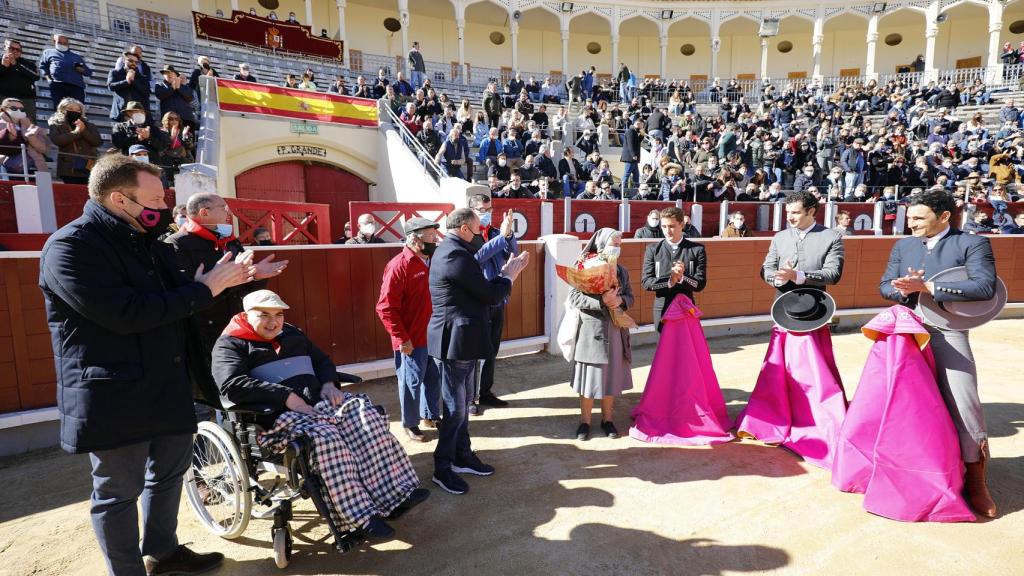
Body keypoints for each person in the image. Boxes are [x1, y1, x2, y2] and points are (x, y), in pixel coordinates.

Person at [39, 154, 255, 575]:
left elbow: (184, 296)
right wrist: (204, 290)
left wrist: (226, 280)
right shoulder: (70, 247)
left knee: (170, 474)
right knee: (117, 493)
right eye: (155, 199)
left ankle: (163, 549)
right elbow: (126, 313)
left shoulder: (149, 244)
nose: (163, 206)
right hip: (112, 393)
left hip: (166, 383)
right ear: (120, 199)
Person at [212, 290, 429, 541]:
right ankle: (360, 518)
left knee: (365, 418)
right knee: (326, 438)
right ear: (247, 315)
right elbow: (232, 385)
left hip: (319, 403)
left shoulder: (292, 333)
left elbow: (322, 360)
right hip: (277, 416)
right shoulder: (231, 343)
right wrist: (284, 396)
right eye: (264, 315)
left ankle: (396, 496)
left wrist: (328, 382)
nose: (273, 322)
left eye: (278, 315)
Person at [879, 190, 999, 518]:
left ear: (944, 216)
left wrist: (929, 288)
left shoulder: (971, 244)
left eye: (919, 218)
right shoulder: (903, 245)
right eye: (910, 217)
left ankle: (975, 478)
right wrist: (901, 287)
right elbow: (884, 285)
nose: (911, 223)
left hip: (948, 330)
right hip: (907, 328)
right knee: (900, 401)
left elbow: (985, 286)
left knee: (964, 400)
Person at [735, 190, 847, 470]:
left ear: (812, 212)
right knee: (778, 368)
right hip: (783, 310)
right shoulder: (780, 237)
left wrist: (798, 276)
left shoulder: (830, 237)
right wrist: (775, 276)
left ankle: (814, 418)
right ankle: (775, 416)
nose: (790, 217)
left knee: (812, 369)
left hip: (814, 312)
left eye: (796, 212)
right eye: (788, 213)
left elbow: (833, 274)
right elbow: (766, 268)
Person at [427, 208, 530, 495]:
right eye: (476, 231)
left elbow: (481, 289)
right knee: (455, 409)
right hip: (455, 341)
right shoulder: (453, 254)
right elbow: (487, 294)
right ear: (463, 229)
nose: (479, 236)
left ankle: (461, 455)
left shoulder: (454, 250)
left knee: (462, 406)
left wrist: (504, 275)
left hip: (463, 338)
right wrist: (508, 276)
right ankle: (442, 467)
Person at [165, 192, 286, 382]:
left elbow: (244, 284)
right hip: (204, 330)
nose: (228, 213)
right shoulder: (176, 244)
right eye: (223, 208)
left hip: (237, 322)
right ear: (204, 212)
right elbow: (187, 295)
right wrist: (231, 280)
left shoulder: (229, 240)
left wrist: (257, 275)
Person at [377, 218, 443, 442]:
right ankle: (410, 423)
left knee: (434, 378)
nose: (435, 239)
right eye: (430, 235)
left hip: (433, 334)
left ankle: (431, 415)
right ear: (414, 238)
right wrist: (401, 338)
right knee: (411, 383)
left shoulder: (433, 260)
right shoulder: (399, 265)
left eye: (435, 235)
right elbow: (385, 308)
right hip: (411, 339)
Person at [566, 229, 633, 441]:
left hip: (615, 329)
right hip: (591, 329)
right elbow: (575, 298)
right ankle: (584, 422)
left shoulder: (621, 271)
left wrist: (620, 301)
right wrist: (600, 301)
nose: (617, 246)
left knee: (611, 376)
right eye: (613, 242)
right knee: (589, 378)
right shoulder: (584, 266)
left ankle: (608, 419)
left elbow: (630, 297)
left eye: (619, 243)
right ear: (602, 243)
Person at [469, 194, 518, 414]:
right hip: (476, 300)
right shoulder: (468, 236)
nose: (486, 213)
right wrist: (502, 237)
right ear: (472, 211)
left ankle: (485, 392)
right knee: (472, 352)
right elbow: (478, 258)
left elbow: (512, 253)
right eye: (481, 209)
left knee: (491, 349)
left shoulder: (497, 232)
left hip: (497, 298)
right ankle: (470, 398)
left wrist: (509, 234)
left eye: (488, 209)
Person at [641, 207, 707, 330]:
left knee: (685, 347)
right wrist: (669, 282)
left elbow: (700, 285)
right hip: (662, 306)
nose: (667, 231)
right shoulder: (652, 250)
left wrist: (682, 278)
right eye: (664, 226)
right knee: (664, 346)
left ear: (682, 225)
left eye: (671, 226)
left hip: (686, 306)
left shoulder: (697, 250)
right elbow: (646, 283)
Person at [48, 96, 100, 184]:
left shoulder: (89, 125)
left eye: (78, 110)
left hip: (88, 167)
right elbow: (57, 140)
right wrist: (76, 132)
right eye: (70, 109)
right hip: (68, 168)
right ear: (62, 109)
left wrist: (84, 130)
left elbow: (97, 142)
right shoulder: (56, 124)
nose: (74, 111)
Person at [38, 34, 92, 110]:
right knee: (59, 110)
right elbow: (43, 67)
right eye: (60, 42)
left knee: (77, 111)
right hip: (57, 85)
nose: (62, 44)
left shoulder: (76, 56)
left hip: (76, 87)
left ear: (68, 44)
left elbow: (88, 72)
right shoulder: (48, 52)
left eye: (65, 43)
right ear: (54, 42)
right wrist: (49, 79)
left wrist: (82, 70)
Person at [0, 97, 49, 177]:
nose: (19, 111)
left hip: (36, 166)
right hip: (8, 167)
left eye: (22, 109)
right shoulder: (1, 124)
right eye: (14, 108)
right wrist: (9, 136)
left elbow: (43, 149)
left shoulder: (29, 124)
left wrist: (32, 137)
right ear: (3, 109)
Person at [0, 39, 40, 121]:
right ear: (5, 48)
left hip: (26, 99)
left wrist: (16, 64)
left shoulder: (29, 63)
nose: (15, 51)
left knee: (29, 127)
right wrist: (3, 66)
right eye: (11, 48)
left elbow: (36, 76)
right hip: (2, 98)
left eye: (18, 49)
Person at [107, 50, 151, 122]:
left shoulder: (142, 77)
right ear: (124, 60)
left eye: (136, 62)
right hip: (120, 112)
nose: (133, 63)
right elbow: (111, 86)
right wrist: (126, 82)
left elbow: (147, 91)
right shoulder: (114, 72)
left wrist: (133, 81)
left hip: (137, 113)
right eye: (130, 61)